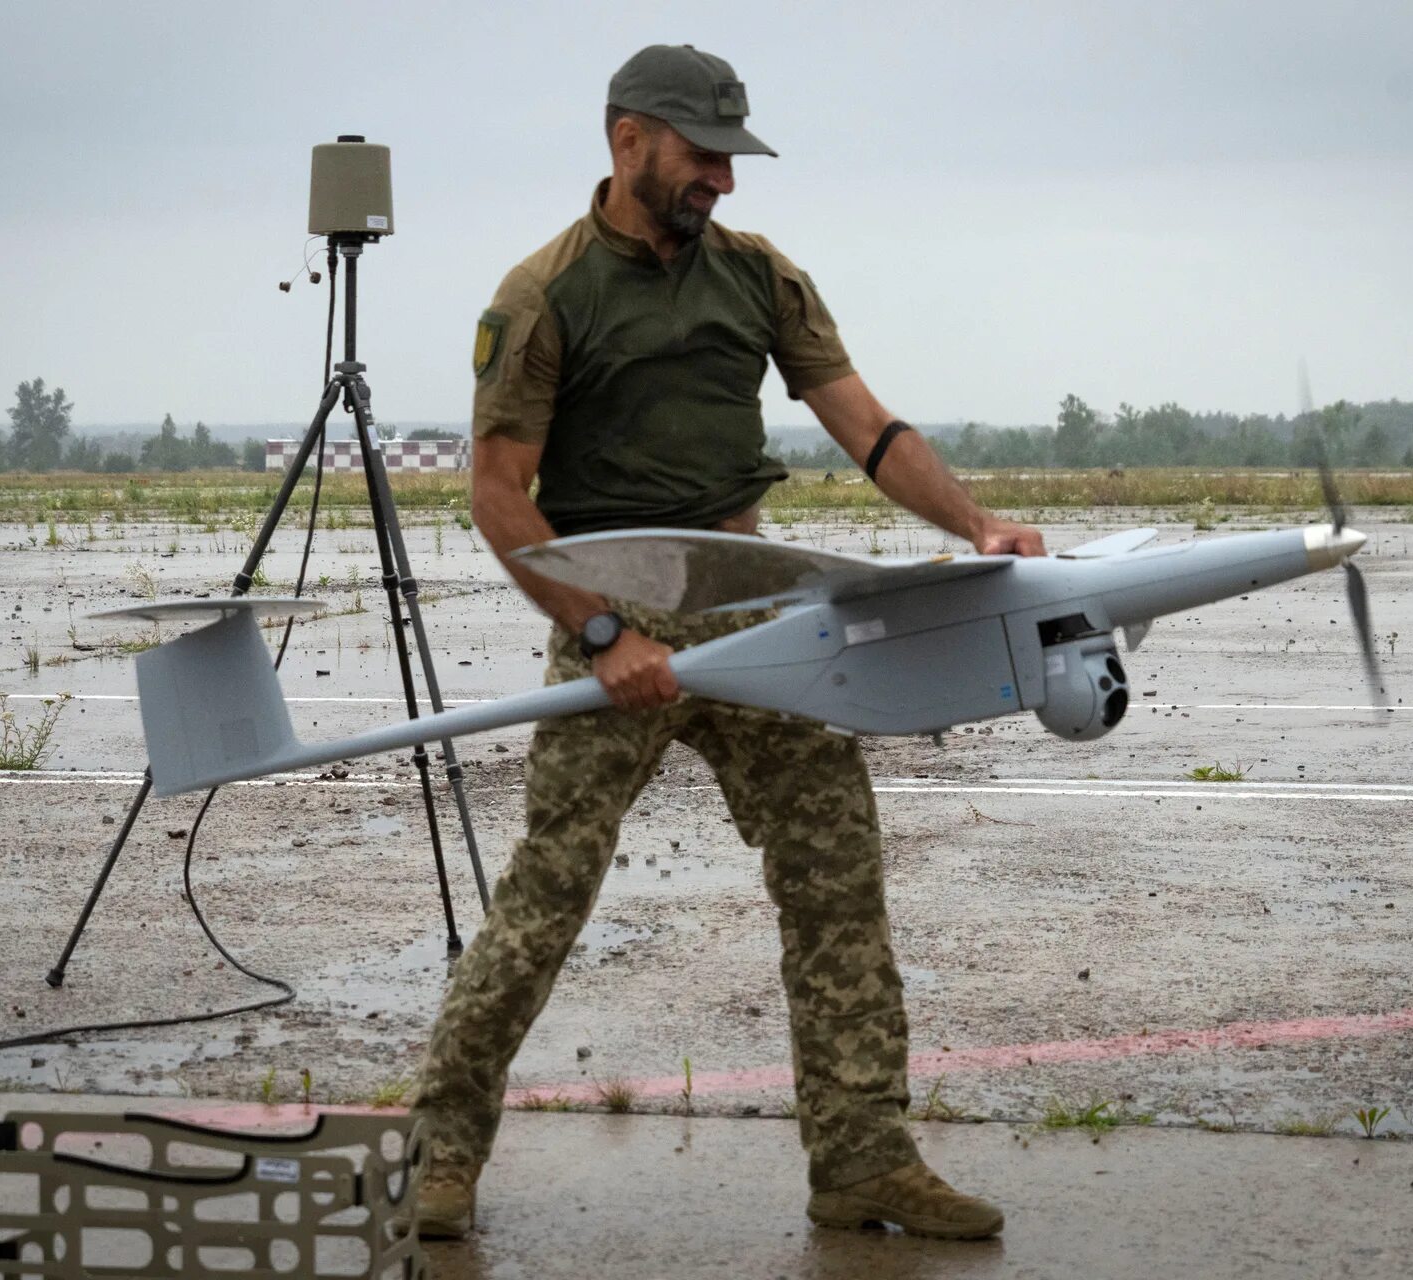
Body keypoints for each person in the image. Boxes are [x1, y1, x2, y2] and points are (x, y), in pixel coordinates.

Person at [407, 43, 1048, 1242]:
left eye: (731, 159)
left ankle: (861, 1160)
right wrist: (600, 633)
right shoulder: (543, 295)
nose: (724, 182)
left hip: (756, 603)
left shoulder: (758, 276)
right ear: (628, 139)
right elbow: (500, 495)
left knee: (835, 867)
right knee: (548, 893)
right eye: (704, 156)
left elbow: (865, 422)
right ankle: (439, 1151)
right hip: (608, 609)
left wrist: (977, 525)